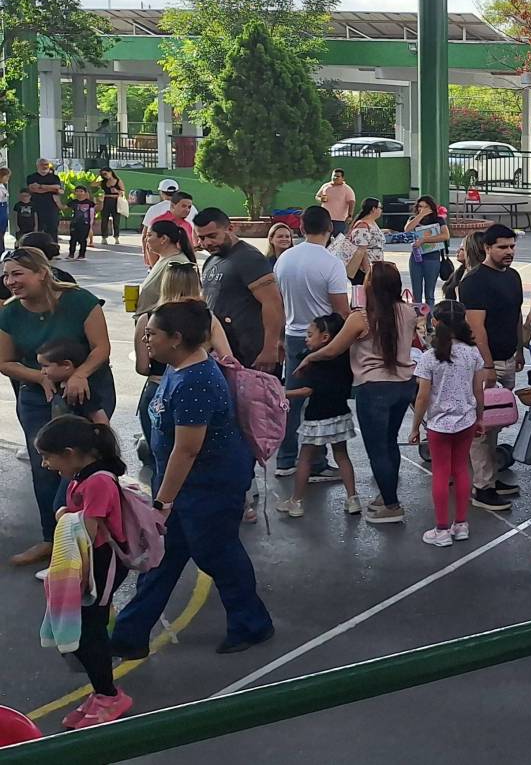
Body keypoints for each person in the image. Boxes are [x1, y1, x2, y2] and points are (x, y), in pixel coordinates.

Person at [112, 299, 274, 660]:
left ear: (176, 338)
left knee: (218, 554)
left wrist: (162, 503)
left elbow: (186, 450)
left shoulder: (196, 382)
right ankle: (129, 634)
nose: (145, 340)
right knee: (162, 558)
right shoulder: (178, 368)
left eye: (151, 334)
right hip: (184, 485)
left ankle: (252, 623)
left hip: (208, 487)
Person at [0, 247, 116, 565]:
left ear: (42, 273)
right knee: (44, 465)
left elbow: (101, 347)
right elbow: (5, 361)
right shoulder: (9, 313)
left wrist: (79, 374)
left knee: (82, 464)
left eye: (17, 274)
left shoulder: (80, 300)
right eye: (6, 276)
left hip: (86, 390)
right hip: (39, 394)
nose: (10, 281)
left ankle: (88, 538)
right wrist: (39, 377)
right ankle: (52, 540)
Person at [293, 261, 418, 524]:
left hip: (374, 388)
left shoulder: (361, 318)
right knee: (390, 443)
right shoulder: (408, 311)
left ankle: (392, 506)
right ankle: (387, 495)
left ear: (370, 286)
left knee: (377, 449)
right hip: (404, 384)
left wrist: (309, 358)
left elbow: (333, 349)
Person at [34, 416, 137, 727]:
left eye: (47, 457)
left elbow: (87, 532)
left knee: (90, 631)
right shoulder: (82, 477)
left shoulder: (98, 482)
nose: (45, 464)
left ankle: (110, 695)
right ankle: (101, 691)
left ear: (69, 453)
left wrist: (64, 516)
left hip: (102, 564)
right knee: (86, 631)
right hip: (89, 562)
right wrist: (67, 514)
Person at [272, 207, 352, 478]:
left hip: (293, 334)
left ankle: (285, 459)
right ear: (330, 228)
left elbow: (278, 302)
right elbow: (341, 310)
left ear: (301, 228)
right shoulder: (331, 263)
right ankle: (317, 462)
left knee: (292, 399)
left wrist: (280, 337)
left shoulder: (284, 259)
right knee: (319, 400)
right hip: (323, 339)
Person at [459, 224, 526, 510]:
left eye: (512, 246)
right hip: (487, 364)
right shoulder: (474, 282)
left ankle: (490, 477)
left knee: (496, 421)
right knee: (481, 427)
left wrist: (520, 349)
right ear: (487, 248)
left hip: (508, 358)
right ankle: (482, 487)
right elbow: (476, 328)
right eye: (502, 247)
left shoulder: (513, 276)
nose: (509, 251)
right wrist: (487, 366)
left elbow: (516, 316)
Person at [410, 301, 487, 550]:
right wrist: (480, 417)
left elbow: (422, 397)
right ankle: (461, 524)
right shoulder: (472, 353)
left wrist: (415, 427)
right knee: (462, 469)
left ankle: (441, 529)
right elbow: (478, 390)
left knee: (441, 474)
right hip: (466, 420)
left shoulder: (429, 357)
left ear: (435, 322)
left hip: (439, 424)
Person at [275, 313, 361, 518]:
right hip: (340, 414)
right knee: (342, 456)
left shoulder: (316, 360)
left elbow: (308, 390)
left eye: (310, 334)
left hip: (316, 417)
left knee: (305, 459)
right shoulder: (344, 358)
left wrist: (283, 394)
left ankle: (296, 501)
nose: (306, 339)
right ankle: (353, 498)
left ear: (325, 337)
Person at [194, 208, 284, 373]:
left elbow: (273, 303)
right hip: (222, 353)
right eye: (201, 238)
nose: (206, 243)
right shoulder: (211, 260)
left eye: (212, 236)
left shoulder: (250, 258)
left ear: (230, 228)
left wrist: (270, 348)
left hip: (251, 354)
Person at [404, 196, 450, 309]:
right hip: (416, 257)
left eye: (426, 207)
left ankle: (429, 317)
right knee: (416, 292)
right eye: (420, 206)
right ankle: (417, 316)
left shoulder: (438, 220)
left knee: (429, 293)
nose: (423, 209)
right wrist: (420, 216)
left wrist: (425, 240)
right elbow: (407, 229)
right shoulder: (413, 219)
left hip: (432, 258)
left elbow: (445, 235)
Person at [335, 198, 385, 289]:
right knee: (362, 295)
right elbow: (361, 251)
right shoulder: (362, 226)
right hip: (363, 270)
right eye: (380, 208)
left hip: (374, 267)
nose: (381, 210)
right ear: (373, 209)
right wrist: (368, 273)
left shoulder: (372, 223)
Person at [25, 158, 63, 248]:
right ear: (37, 166)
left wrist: (41, 186)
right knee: (37, 228)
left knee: (53, 227)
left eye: (46, 164)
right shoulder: (31, 177)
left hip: (52, 206)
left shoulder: (54, 177)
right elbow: (33, 189)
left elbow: (57, 187)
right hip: (36, 205)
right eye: (42, 164)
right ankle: (38, 248)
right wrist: (50, 188)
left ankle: (54, 247)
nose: (45, 166)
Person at [316, 168, 356, 236]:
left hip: (339, 220)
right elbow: (317, 196)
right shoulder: (325, 186)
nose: (335, 178)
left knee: (338, 238)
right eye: (333, 176)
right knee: (324, 237)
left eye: (337, 176)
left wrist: (350, 215)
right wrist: (320, 199)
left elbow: (351, 202)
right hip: (325, 218)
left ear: (342, 178)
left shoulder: (347, 189)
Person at [97, 168, 125, 244]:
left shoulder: (118, 181)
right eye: (103, 174)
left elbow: (123, 192)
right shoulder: (103, 182)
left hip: (115, 202)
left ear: (110, 172)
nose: (104, 176)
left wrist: (117, 191)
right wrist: (98, 176)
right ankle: (104, 237)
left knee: (116, 220)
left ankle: (116, 237)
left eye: (105, 173)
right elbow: (92, 184)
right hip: (105, 201)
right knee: (104, 220)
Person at [66, 185, 95, 259]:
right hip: (74, 223)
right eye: (77, 191)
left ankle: (82, 255)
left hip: (85, 224)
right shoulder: (73, 202)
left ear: (85, 193)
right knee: (73, 239)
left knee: (83, 239)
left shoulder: (90, 203)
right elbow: (64, 207)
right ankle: (71, 254)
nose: (79, 193)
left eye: (81, 191)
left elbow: (94, 211)